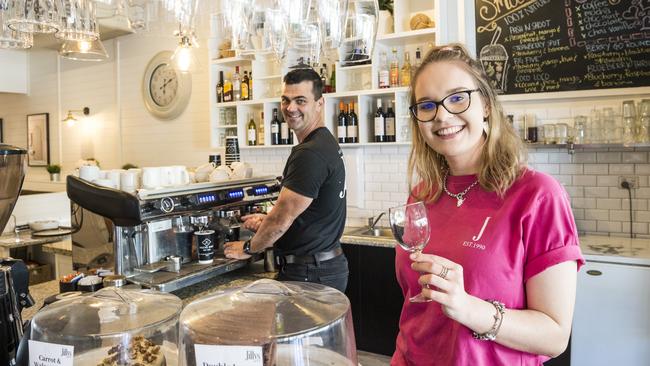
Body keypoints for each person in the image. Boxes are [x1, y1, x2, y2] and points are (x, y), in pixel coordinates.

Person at [392, 43, 585, 365]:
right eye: (426, 105)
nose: (442, 115)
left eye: (457, 98)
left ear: (484, 104)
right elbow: (416, 309)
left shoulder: (537, 195)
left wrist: (468, 308)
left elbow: (554, 337)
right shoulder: (422, 195)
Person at [224, 68, 349, 292]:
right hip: (322, 267)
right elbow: (301, 213)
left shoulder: (310, 153)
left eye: (300, 100)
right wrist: (267, 220)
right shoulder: (324, 141)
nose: (291, 108)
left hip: (310, 273)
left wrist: (249, 248)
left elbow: (281, 219)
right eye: (286, 100)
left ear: (319, 103)